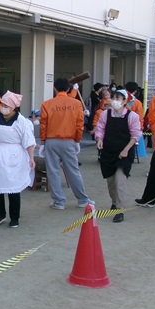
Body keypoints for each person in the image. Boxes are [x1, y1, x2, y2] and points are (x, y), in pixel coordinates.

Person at [39, 77, 93, 210]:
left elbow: (43, 125)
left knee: (53, 171)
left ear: (54, 89)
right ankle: (82, 199)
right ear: (68, 89)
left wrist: (43, 141)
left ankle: (59, 201)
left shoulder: (47, 104)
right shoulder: (76, 104)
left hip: (51, 141)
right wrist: (77, 140)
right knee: (73, 171)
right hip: (69, 141)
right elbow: (79, 125)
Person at [0, 91, 35, 228]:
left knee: (13, 188)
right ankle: (0, 214)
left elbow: (29, 141)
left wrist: (31, 158)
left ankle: (14, 217)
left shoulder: (21, 121)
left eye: (6, 105)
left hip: (15, 155)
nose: (3, 106)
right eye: (2, 104)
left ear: (13, 107)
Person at [94, 89, 142, 223]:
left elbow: (135, 135)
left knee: (120, 180)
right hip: (108, 151)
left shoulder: (132, 116)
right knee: (110, 181)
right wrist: (99, 140)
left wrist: (126, 150)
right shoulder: (105, 114)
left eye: (118, 98)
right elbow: (100, 128)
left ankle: (120, 209)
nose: (115, 100)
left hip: (124, 152)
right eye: (113, 97)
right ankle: (114, 202)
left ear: (125, 101)